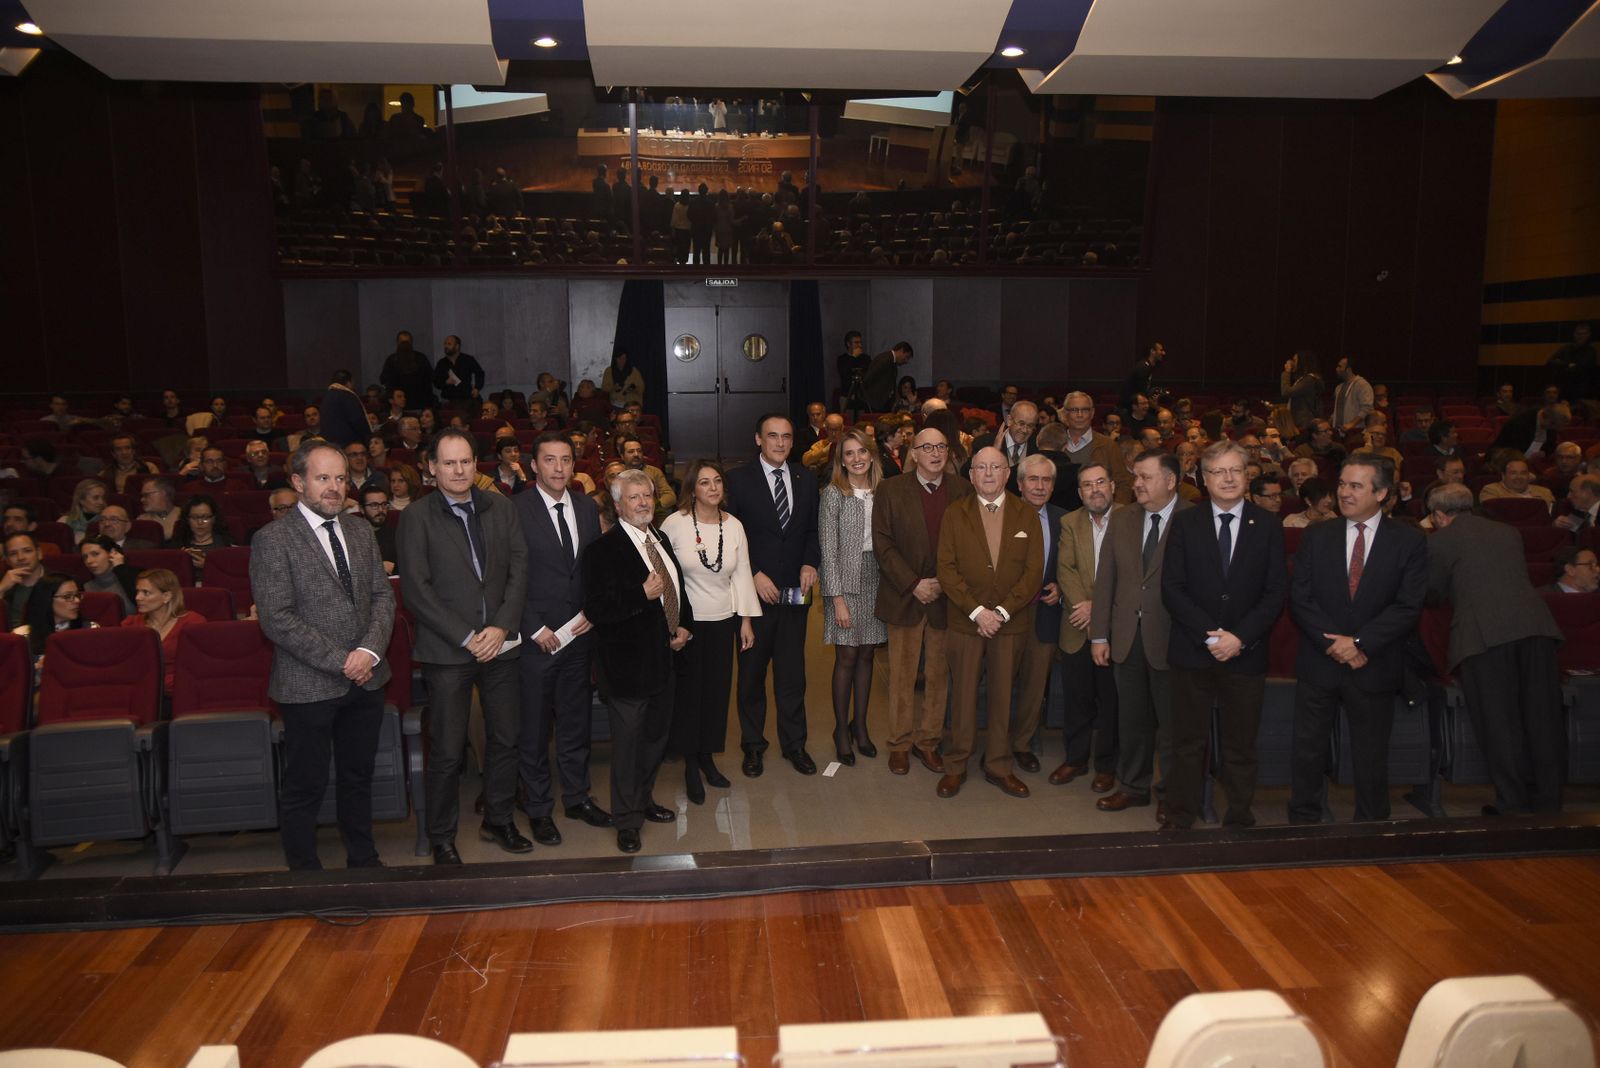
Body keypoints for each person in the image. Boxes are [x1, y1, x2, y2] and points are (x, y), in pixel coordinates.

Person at [251, 440, 395, 871]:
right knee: (305, 785)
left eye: (340, 478)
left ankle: (364, 861)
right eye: (323, 478)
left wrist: (368, 651)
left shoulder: (360, 531)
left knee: (358, 778)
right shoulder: (272, 539)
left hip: (366, 678)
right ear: (298, 482)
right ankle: (304, 873)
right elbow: (277, 618)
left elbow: (382, 597)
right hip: (309, 685)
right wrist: (342, 661)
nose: (334, 487)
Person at [398, 428, 531, 865]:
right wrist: (467, 636)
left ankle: (499, 819)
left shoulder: (500, 506)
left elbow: (519, 568)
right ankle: (441, 836)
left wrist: (501, 626)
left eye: (466, 461)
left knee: (506, 738)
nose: (458, 470)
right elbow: (416, 590)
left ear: (476, 464)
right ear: (431, 468)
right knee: (448, 750)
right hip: (448, 651)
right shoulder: (416, 517)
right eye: (449, 463)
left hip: (500, 645)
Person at [1288, 453, 1426, 823]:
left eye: (1355, 486)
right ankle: (1303, 822)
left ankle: (1371, 826)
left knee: (1371, 753)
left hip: (1374, 663)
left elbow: (1407, 606)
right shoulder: (1317, 534)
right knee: (1308, 749)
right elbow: (1300, 598)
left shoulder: (1409, 541)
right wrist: (1335, 644)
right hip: (1320, 661)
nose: (1344, 493)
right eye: (1342, 484)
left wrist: (1359, 643)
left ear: (1381, 493)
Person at [1159, 442, 1287, 830]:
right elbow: (1172, 589)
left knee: (1241, 744)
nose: (1228, 478)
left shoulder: (1268, 525)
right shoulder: (1185, 522)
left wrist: (1239, 638)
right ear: (1203, 479)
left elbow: (1275, 592)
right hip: (1192, 651)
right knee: (1187, 742)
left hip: (1245, 653)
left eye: (1236, 470)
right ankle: (1180, 815)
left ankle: (1239, 815)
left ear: (1247, 476)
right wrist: (1209, 636)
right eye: (1218, 471)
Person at [1425, 482, 1565, 814]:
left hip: (1483, 636)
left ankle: (1512, 803)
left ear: (1439, 515)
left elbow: (1432, 593)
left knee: (1499, 722)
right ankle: (1549, 801)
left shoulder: (1440, 540)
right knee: (1542, 718)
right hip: (1536, 627)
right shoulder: (1507, 532)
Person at [583, 469, 694, 853]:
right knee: (629, 748)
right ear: (618, 506)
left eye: (647, 495)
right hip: (626, 668)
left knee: (654, 740)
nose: (643, 502)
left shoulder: (659, 538)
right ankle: (627, 821)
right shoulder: (602, 550)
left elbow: (677, 589)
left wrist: (684, 625)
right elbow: (597, 609)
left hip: (665, 661)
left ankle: (642, 800)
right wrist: (639, 594)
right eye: (634, 497)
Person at [513, 431, 609, 844]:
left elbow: (593, 568)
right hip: (536, 639)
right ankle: (537, 808)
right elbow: (507, 575)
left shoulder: (587, 507)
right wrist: (533, 627)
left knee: (575, 722)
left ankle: (577, 797)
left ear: (574, 465)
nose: (558, 467)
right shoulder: (515, 509)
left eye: (565, 460)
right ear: (534, 465)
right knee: (534, 730)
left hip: (578, 634)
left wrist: (592, 610)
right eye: (549, 460)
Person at [933, 446, 1043, 798]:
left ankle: (998, 765)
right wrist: (978, 612)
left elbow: (1033, 572)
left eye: (996, 467)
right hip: (966, 622)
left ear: (1008, 474)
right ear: (971, 475)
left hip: (1010, 624)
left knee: (1002, 696)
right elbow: (946, 569)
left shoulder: (1027, 515)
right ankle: (956, 765)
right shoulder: (955, 513)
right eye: (981, 467)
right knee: (963, 697)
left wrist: (1003, 612)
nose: (989, 473)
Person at [1090, 451, 1189, 819]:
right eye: (1136, 477)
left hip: (1173, 640)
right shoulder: (1123, 518)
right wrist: (1099, 635)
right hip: (1126, 637)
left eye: (1146, 477)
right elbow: (1106, 579)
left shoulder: (1192, 519)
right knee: (1132, 721)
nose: (1137, 484)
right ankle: (1133, 787)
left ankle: (1171, 794)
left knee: (1173, 727)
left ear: (1170, 480)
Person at [724, 413, 821, 777]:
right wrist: (752, 574)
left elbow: (812, 529)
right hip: (753, 597)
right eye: (773, 436)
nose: (780, 443)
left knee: (792, 674)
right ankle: (753, 745)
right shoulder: (737, 480)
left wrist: (810, 562)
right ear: (758, 440)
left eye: (786, 437)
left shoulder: (806, 478)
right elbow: (729, 536)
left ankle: (795, 744)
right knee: (751, 675)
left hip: (796, 593)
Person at [871, 426, 971, 777]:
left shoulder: (962, 489)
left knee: (938, 676)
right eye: (927, 447)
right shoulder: (890, 489)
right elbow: (883, 544)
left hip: (946, 597)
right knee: (901, 675)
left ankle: (928, 741)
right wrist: (914, 584)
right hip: (905, 596)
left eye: (941, 446)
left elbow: (968, 543)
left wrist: (943, 583)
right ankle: (899, 743)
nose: (935, 453)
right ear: (913, 453)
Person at [660, 460, 759, 804]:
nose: (713, 488)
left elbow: (742, 573)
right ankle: (690, 763)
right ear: (692, 489)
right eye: (704, 482)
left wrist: (746, 620)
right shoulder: (674, 524)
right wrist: (673, 623)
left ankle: (707, 757)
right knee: (690, 695)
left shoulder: (734, 526)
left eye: (717, 481)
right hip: (687, 623)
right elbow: (666, 578)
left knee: (717, 694)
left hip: (723, 619)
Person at [819, 429, 887, 766]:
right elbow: (827, 550)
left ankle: (860, 726)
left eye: (862, 451)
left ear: (871, 455)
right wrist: (837, 599)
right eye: (849, 453)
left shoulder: (884, 492)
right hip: (844, 582)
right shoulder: (834, 494)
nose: (857, 458)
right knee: (847, 655)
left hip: (876, 578)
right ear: (841, 461)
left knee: (867, 654)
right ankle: (841, 731)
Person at [1051, 463, 1120, 792]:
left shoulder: (1130, 519)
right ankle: (1076, 759)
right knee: (1077, 698)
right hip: (1077, 626)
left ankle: (1107, 765)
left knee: (1111, 701)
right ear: (1079, 493)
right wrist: (1085, 606)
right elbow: (1066, 569)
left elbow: (1132, 573)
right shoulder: (1070, 522)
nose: (1095, 490)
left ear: (1113, 486)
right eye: (1088, 485)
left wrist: (1099, 608)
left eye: (1100, 482)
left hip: (1116, 628)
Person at [1011, 455, 1065, 778]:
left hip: (1044, 611)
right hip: (1006, 614)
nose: (1040, 486)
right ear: (1019, 484)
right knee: (1001, 680)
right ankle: (996, 743)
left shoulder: (1064, 520)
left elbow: (1072, 564)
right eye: (1033, 479)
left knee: (1034, 684)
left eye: (1046, 480)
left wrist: (1061, 586)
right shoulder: (1001, 514)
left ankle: (1022, 744)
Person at [120, 567, 203, 699]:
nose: (137, 598)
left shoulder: (192, 623)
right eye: (138, 592)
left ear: (166, 596)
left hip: (181, 693)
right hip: (141, 695)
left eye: (146, 593)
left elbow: (198, 666)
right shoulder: (130, 625)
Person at [14, 573, 95, 661]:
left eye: (77, 595)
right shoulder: (21, 637)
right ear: (46, 599)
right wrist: (36, 666)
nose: (77, 601)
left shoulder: (91, 630)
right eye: (67, 596)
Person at [168, 494, 233, 583]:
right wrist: (180, 561)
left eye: (205, 517)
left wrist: (208, 565)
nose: (200, 522)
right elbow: (168, 577)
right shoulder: (178, 544)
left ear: (214, 519)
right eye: (194, 517)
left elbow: (231, 577)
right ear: (187, 520)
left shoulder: (226, 544)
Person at [1494, 400, 1571, 461]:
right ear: (1547, 420)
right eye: (1554, 427)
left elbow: (1551, 445)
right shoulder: (1520, 421)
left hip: (1532, 460)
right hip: (1509, 458)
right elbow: (1509, 449)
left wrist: (1544, 453)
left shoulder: (1552, 421)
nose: (1555, 430)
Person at [79, 535, 139, 613]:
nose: (89, 561)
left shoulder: (136, 579)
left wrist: (121, 569)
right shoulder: (84, 588)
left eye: (95, 554)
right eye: (85, 557)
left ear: (112, 553)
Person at [380, 332, 435, 412]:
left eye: (407, 343)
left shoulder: (421, 358)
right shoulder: (391, 360)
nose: (405, 346)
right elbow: (384, 380)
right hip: (400, 407)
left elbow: (429, 379)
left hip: (419, 404)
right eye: (403, 343)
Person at [1481, 456, 1556, 512]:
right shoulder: (1492, 490)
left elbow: (1552, 515)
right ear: (1503, 476)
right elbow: (1493, 515)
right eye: (1513, 473)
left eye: (1523, 473)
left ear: (1528, 475)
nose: (1519, 477)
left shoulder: (1545, 492)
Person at [1546, 322, 1595, 404]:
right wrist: (1568, 364)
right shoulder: (1566, 348)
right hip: (1563, 390)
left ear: (1588, 335)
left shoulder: (1591, 351)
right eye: (1578, 333)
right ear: (1574, 334)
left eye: (1584, 334)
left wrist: (1561, 365)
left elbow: (1580, 369)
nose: (1580, 336)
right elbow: (1550, 362)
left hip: (1581, 391)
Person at [319, 369, 370, 448]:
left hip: (329, 444)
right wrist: (368, 439)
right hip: (348, 444)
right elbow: (358, 421)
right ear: (349, 382)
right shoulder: (348, 396)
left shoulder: (326, 397)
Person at [1279, 351, 1324, 435]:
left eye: (1294, 360)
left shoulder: (1309, 380)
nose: (1292, 363)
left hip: (1304, 424)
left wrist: (1287, 372)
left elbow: (1286, 392)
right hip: (1302, 422)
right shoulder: (1304, 379)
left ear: (1302, 363)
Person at [861, 342, 913, 413]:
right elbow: (869, 378)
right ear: (901, 350)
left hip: (882, 403)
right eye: (906, 357)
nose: (906, 361)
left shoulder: (892, 361)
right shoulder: (884, 359)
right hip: (875, 403)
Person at [434, 335, 484, 405]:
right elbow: (435, 382)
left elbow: (480, 373)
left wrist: (477, 388)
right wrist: (446, 382)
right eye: (445, 343)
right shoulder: (441, 363)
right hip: (448, 400)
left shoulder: (467, 359)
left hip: (466, 399)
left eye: (449, 344)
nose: (446, 346)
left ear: (457, 346)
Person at [358, 486, 398, 574]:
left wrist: (394, 568)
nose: (380, 510)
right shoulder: (353, 536)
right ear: (362, 509)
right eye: (374, 505)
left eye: (384, 504)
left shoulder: (397, 533)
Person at [1330, 357, 1374, 433]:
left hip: (1355, 431)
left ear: (1348, 370)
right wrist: (1330, 420)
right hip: (1338, 431)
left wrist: (1351, 424)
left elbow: (1367, 408)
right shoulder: (1338, 387)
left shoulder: (1362, 384)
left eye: (1340, 366)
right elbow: (1338, 409)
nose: (1337, 369)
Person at [1121, 342, 1166, 409]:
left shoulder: (1148, 367)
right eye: (1161, 350)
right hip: (1130, 409)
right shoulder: (1143, 368)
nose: (1163, 353)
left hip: (1136, 407)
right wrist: (1159, 409)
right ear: (1152, 351)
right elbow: (1142, 394)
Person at [837, 331, 870, 415]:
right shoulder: (842, 359)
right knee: (847, 419)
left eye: (860, 342)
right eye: (856, 342)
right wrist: (854, 357)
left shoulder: (865, 358)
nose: (860, 345)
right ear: (848, 344)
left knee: (862, 420)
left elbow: (868, 374)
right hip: (847, 395)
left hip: (862, 395)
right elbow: (845, 374)